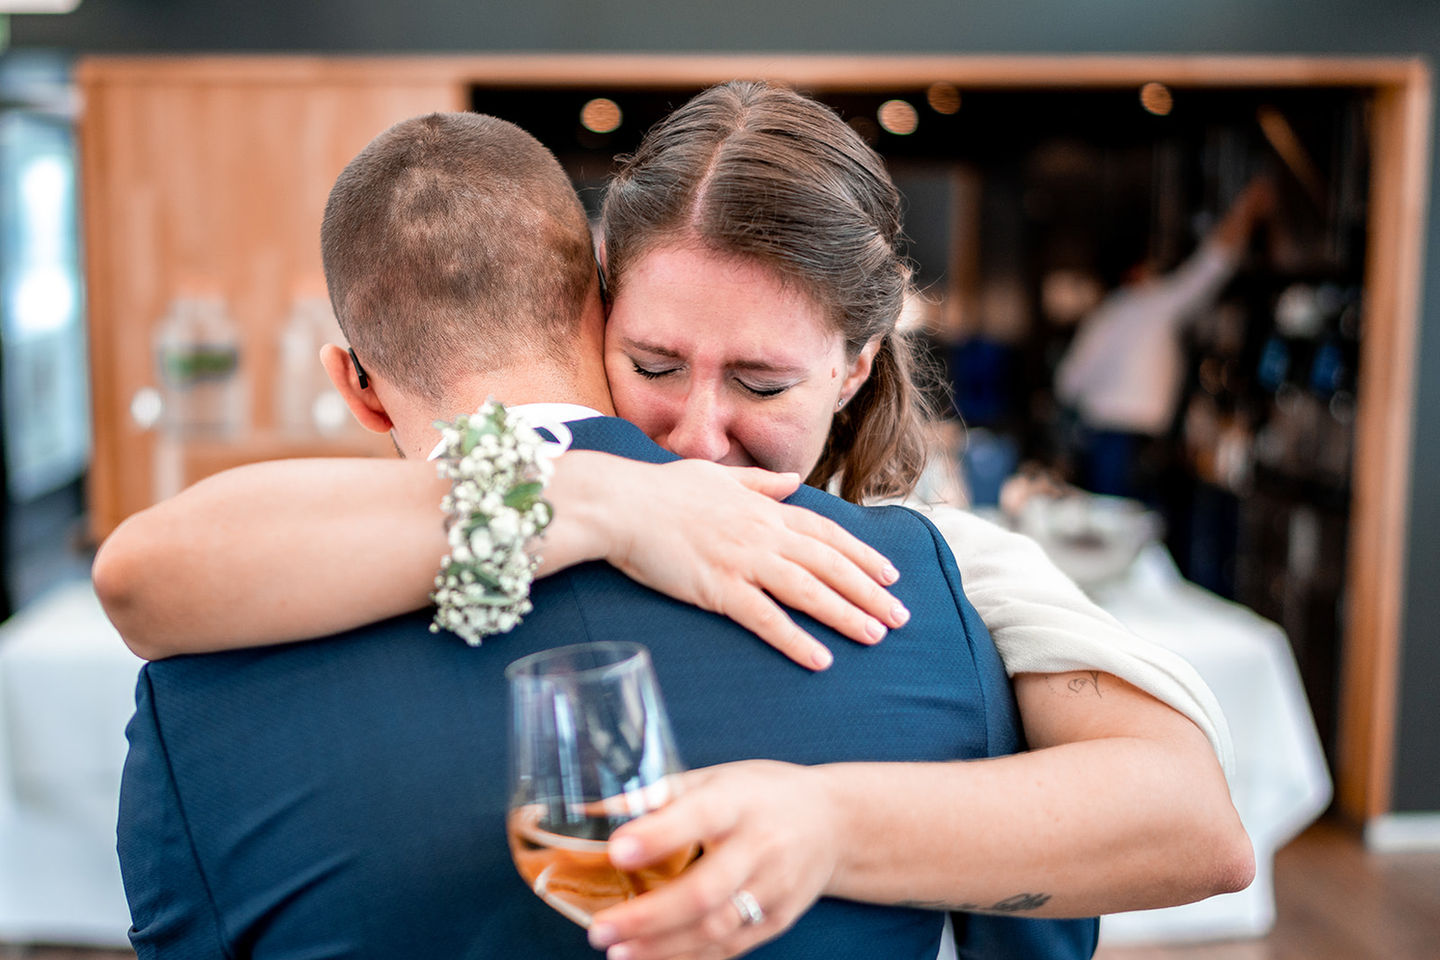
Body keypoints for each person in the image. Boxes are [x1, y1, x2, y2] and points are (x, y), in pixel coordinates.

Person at [101, 89, 1251, 960]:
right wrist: (601, 494)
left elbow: (1193, 823)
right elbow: (147, 573)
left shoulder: (948, 574)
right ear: (591, 304)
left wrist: (829, 821)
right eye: (654, 363)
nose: (697, 441)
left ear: (856, 369)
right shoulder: (285, 566)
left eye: (760, 385)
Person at [1055, 177, 1274, 499]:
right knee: (1134, 534)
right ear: (1139, 269)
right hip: (1128, 446)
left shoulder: (1105, 315)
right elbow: (1212, 265)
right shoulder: (1152, 304)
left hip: (1100, 441)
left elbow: (1068, 382)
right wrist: (1249, 205)